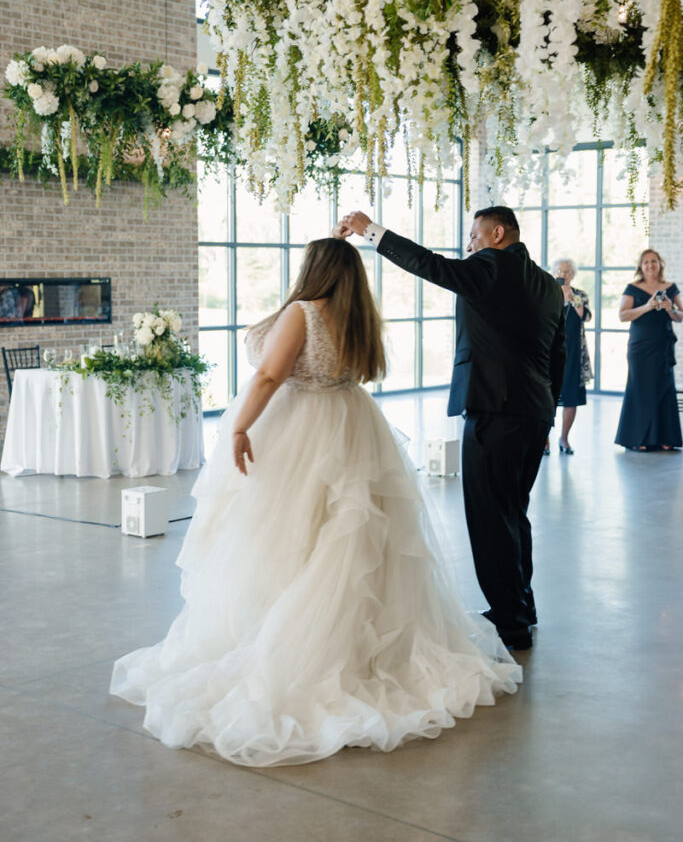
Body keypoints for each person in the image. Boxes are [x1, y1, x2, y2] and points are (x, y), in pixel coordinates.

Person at [110, 237, 521, 767]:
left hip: (302, 431)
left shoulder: (304, 312)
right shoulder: (361, 317)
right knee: (352, 542)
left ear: (314, 269)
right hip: (352, 426)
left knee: (288, 540)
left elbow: (269, 375)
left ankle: (292, 648)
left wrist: (238, 427)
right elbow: (359, 374)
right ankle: (362, 652)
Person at [339, 207, 565, 652]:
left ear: (497, 234)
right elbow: (557, 357)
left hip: (494, 412)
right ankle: (521, 605)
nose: (469, 245)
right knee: (513, 514)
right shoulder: (545, 285)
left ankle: (511, 624)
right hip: (533, 412)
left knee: (490, 520)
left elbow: (431, 265)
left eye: (474, 235)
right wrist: (547, 415)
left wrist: (371, 230)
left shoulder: (492, 267)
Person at [615, 248, 682, 451]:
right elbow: (622, 315)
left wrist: (671, 308)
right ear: (640, 267)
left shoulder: (670, 288)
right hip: (640, 347)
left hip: (662, 345)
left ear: (660, 264)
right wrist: (648, 306)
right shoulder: (632, 288)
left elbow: (681, 316)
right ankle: (638, 438)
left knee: (664, 387)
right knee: (640, 388)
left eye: (654, 261)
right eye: (646, 262)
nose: (650, 265)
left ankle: (665, 437)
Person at [543, 258, 592, 456]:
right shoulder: (546, 291)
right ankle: (544, 439)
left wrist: (571, 298)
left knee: (571, 397)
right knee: (545, 396)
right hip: (548, 350)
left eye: (566, 272)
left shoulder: (579, 295)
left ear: (572, 275)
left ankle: (564, 438)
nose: (562, 274)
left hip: (573, 352)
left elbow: (585, 316)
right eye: (559, 271)